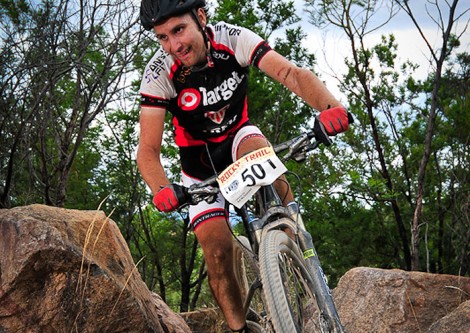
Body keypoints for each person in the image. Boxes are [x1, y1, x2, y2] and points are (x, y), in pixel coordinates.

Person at [137, 0, 351, 332]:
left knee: (257, 149)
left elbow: (291, 73)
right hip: (199, 168)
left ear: (201, 18)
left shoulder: (232, 38)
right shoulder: (158, 72)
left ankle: (292, 224)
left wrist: (330, 107)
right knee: (218, 254)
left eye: (178, 30)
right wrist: (161, 189)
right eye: (162, 37)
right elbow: (147, 150)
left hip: (239, 136)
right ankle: (240, 329)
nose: (173, 45)